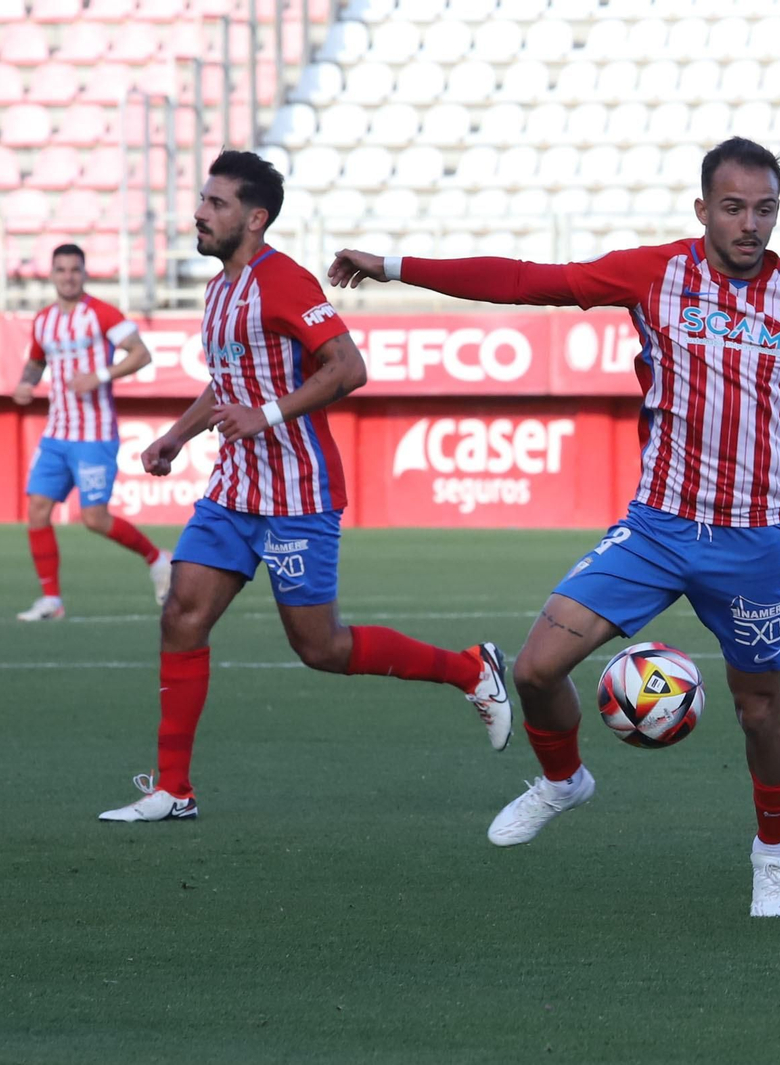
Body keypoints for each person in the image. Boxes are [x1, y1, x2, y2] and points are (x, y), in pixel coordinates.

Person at [329, 137, 780, 917]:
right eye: (733, 207)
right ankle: (565, 781)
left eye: (765, 209)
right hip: (658, 526)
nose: (750, 224)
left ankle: (774, 851)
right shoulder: (653, 273)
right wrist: (397, 265)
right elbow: (528, 283)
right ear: (703, 209)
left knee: (761, 708)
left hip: (753, 541)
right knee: (534, 668)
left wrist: (761, 490)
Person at [99, 150, 513, 823]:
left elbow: (349, 368)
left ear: (255, 218)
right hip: (234, 489)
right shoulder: (218, 289)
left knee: (321, 648)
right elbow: (231, 380)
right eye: (202, 200)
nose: (200, 214)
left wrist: (261, 415)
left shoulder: (281, 280)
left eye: (217, 204)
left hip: (297, 492)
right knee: (181, 614)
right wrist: (179, 434)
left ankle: (470, 669)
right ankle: (173, 789)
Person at [13, 243, 170, 620]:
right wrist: (25, 383)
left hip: (94, 433)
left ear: (84, 273)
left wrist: (99, 376)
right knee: (36, 510)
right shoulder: (44, 320)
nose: (68, 276)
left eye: (74, 270)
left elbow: (141, 353)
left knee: (94, 518)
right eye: (61, 270)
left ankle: (157, 559)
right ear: (51, 275)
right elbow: (36, 361)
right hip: (57, 432)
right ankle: (51, 599)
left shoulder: (101, 313)